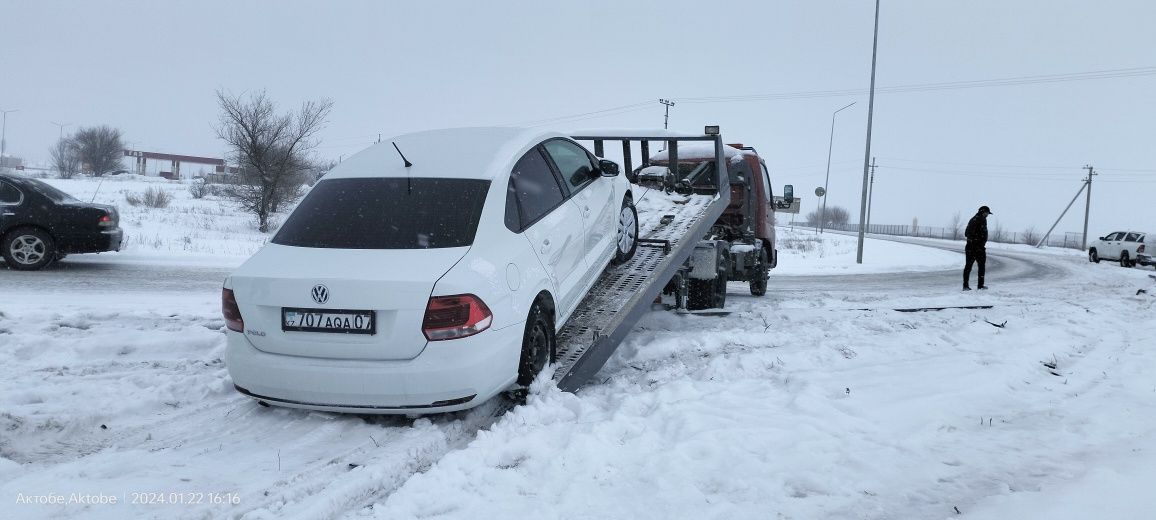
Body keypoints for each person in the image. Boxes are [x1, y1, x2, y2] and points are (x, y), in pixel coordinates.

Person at [963, 205, 993, 290]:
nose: (987, 215)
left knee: (968, 267)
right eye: (987, 213)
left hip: (971, 247)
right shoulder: (980, 220)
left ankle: (965, 286)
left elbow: (966, 233)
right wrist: (978, 242)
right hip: (977, 248)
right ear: (983, 212)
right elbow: (969, 233)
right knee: (980, 266)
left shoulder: (973, 219)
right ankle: (980, 286)